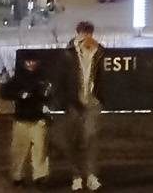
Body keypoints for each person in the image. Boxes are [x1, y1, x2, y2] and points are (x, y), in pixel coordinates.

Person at [59, 20, 106, 191]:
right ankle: (76, 175)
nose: (86, 37)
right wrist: (65, 101)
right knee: (72, 140)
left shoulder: (98, 51)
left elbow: (101, 76)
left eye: (89, 33)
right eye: (83, 33)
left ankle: (91, 175)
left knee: (90, 138)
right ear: (78, 33)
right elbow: (62, 78)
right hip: (73, 101)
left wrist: (100, 97)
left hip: (92, 100)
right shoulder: (69, 53)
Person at [0, 50, 53, 186]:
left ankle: (40, 176)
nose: (30, 64)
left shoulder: (43, 78)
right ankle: (17, 176)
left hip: (39, 118)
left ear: (37, 62)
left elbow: (49, 95)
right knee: (18, 150)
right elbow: (5, 93)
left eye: (33, 61)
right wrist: (19, 94)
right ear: (24, 63)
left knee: (40, 150)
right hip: (21, 118)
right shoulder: (18, 78)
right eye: (28, 61)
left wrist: (45, 95)